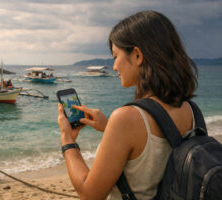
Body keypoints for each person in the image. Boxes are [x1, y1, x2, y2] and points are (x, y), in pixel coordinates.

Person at [58, 10, 198, 200]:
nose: (114, 66)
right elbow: (154, 150)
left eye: (116, 56)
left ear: (137, 55)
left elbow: (89, 194)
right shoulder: (191, 110)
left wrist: (68, 140)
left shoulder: (127, 118)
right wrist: (109, 128)